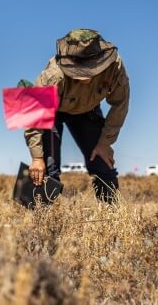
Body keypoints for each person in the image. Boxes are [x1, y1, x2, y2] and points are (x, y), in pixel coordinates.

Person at [25, 29, 129, 203]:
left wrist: (105, 143)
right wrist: (36, 157)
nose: (85, 76)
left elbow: (121, 104)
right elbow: (33, 114)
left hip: (87, 110)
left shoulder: (115, 67)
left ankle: (113, 219)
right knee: (47, 169)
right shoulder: (53, 74)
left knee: (103, 163)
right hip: (52, 113)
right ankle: (36, 220)